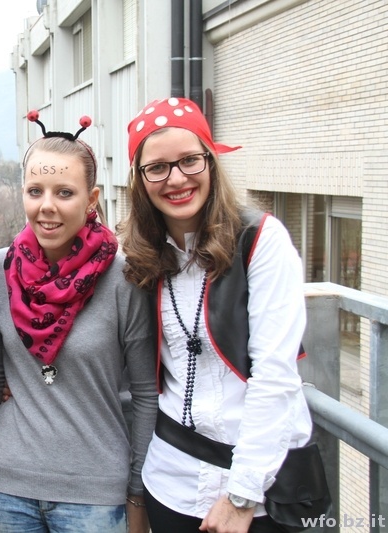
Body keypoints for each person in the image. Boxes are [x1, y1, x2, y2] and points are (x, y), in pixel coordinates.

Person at [118, 97, 313, 533]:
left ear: (210, 161)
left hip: (262, 492)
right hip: (171, 481)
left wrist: (242, 494)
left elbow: (275, 375)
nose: (176, 179)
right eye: (157, 168)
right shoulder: (139, 255)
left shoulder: (261, 239)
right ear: (140, 179)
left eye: (189, 160)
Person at [0, 111, 158, 533]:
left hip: (96, 495)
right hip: (3, 487)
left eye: (64, 192)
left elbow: (146, 395)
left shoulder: (125, 279)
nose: (47, 206)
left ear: (92, 199)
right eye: (35, 191)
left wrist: (137, 493)